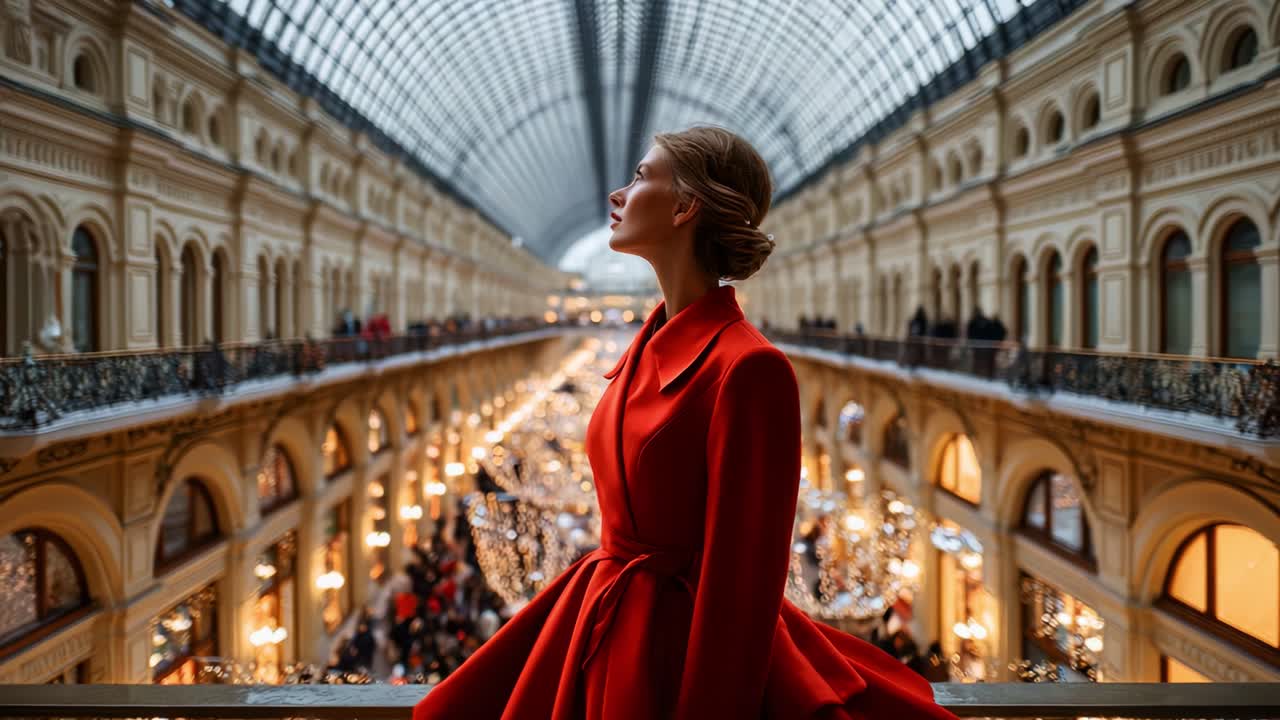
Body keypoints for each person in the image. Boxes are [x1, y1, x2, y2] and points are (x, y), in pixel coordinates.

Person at [413, 126, 955, 720]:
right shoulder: (643, 350)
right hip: (607, 620)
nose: (618, 194)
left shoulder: (749, 368)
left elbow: (741, 588)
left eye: (642, 176)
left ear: (685, 206)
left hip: (673, 652)